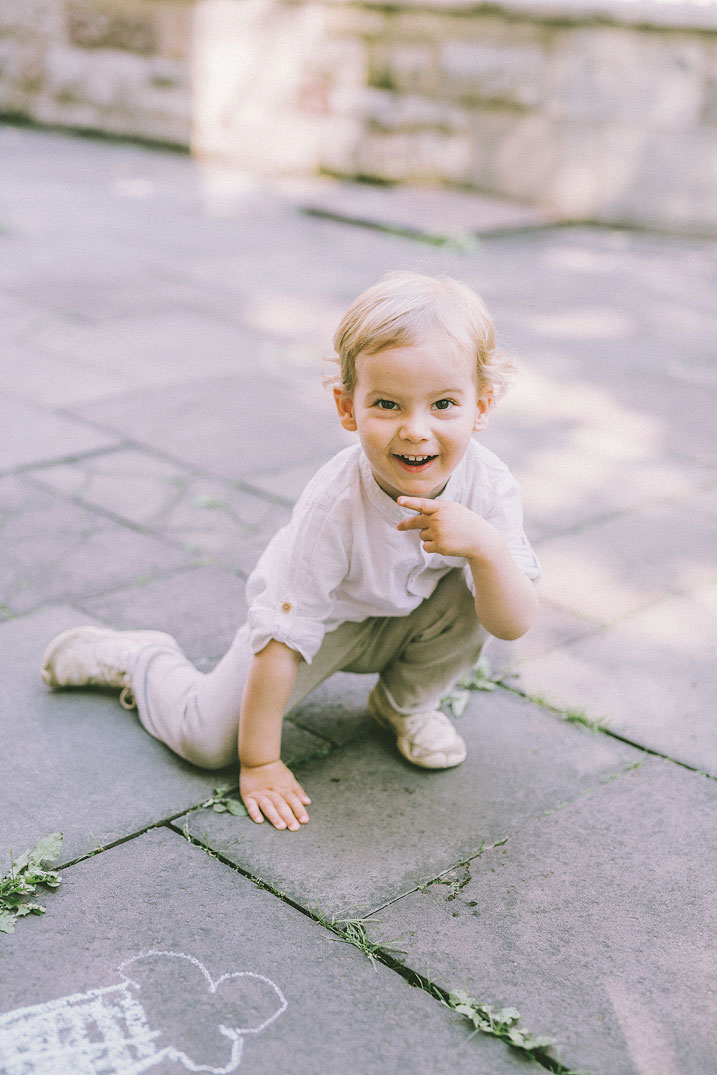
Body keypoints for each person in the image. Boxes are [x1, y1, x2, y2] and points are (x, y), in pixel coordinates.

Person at [41, 272, 540, 832]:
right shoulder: (334, 505)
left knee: (485, 577)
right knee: (207, 743)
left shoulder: (489, 486)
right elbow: (283, 636)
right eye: (388, 405)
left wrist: (487, 549)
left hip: (411, 617)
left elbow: (512, 623)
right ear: (348, 408)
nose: (416, 430)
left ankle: (404, 705)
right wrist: (260, 761)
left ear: (482, 405)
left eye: (444, 404)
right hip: (323, 627)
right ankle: (141, 660)